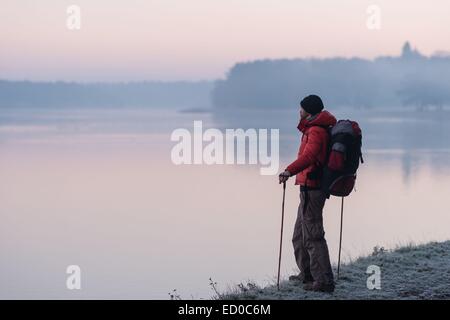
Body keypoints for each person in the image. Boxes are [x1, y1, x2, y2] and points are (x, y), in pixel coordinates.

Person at [279, 94, 337, 293]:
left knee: (313, 235)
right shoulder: (313, 128)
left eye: (301, 108)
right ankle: (307, 274)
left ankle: (324, 281)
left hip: (313, 188)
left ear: (309, 111)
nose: (299, 111)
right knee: (299, 234)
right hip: (307, 188)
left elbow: (309, 156)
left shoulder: (316, 131)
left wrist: (289, 170)